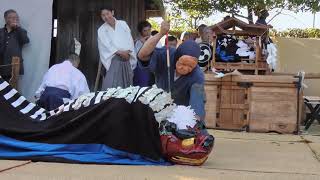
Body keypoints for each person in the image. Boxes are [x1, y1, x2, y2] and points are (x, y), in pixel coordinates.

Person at [138, 21, 206, 121]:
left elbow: (197, 105)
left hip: (181, 116)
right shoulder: (167, 55)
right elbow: (142, 55)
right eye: (182, 63)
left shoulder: (197, 75)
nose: (185, 68)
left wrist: (193, 124)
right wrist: (161, 33)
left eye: (190, 66)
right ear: (176, 58)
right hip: (158, 109)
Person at [97, 6, 136, 90]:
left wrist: (128, 53)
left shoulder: (123, 24)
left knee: (127, 85)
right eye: (103, 15)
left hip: (127, 58)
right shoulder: (101, 30)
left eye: (107, 13)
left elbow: (129, 40)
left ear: (112, 12)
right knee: (111, 85)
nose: (106, 17)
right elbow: (106, 46)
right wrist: (120, 53)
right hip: (114, 59)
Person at [0, 9, 29, 82]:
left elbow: (26, 40)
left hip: (13, 67)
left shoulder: (21, 31)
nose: (14, 19)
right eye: (12, 17)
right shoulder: (0, 31)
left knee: (11, 91)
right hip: (1, 65)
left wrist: (18, 28)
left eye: (16, 17)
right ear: (6, 19)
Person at [133, 20, 154, 87]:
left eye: (149, 30)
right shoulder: (138, 42)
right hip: (141, 69)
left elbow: (156, 53)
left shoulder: (155, 40)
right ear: (141, 32)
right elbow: (137, 56)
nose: (148, 32)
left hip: (153, 68)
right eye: (145, 30)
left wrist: (145, 43)